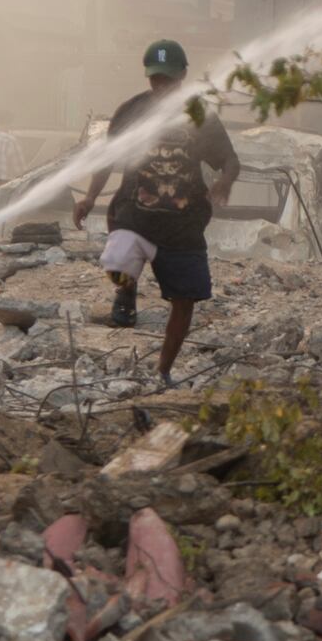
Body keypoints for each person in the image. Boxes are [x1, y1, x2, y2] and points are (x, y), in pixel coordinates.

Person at [71, 40, 237, 387]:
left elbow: (230, 160)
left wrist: (224, 182)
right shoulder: (131, 111)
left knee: (185, 299)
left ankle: (163, 370)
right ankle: (126, 291)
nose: (161, 87)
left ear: (183, 76)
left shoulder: (200, 116)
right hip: (137, 215)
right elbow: (107, 159)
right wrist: (89, 197)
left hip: (184, 225)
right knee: (115, 261)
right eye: (155, 79)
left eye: (169, 80)